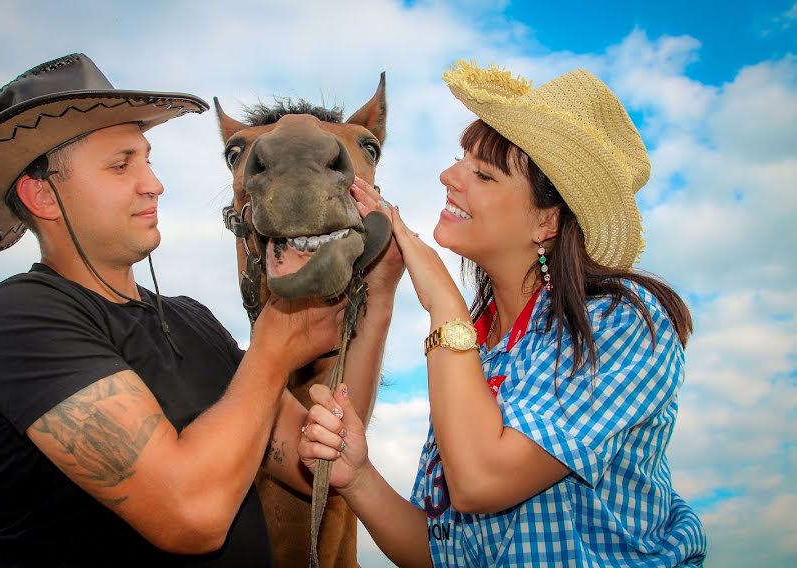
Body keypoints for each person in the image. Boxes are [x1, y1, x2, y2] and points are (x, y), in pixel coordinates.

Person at [0, 53, 400, 566]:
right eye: (121, 165)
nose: (153, 184)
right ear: (43, 195)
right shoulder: (18, 321)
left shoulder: (192, 322)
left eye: (147, 160)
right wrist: (274, 347)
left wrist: (378, 298)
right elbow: (191, 517)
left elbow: (318, 465)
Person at [298, 60, 708, 566]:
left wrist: (443, 300)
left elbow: (478, 481)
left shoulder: (623, 323)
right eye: (459, 160)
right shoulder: (485, 343)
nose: (448, 176)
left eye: (483, 174)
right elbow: (447, 553)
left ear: (546, 220)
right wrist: (357, 476)